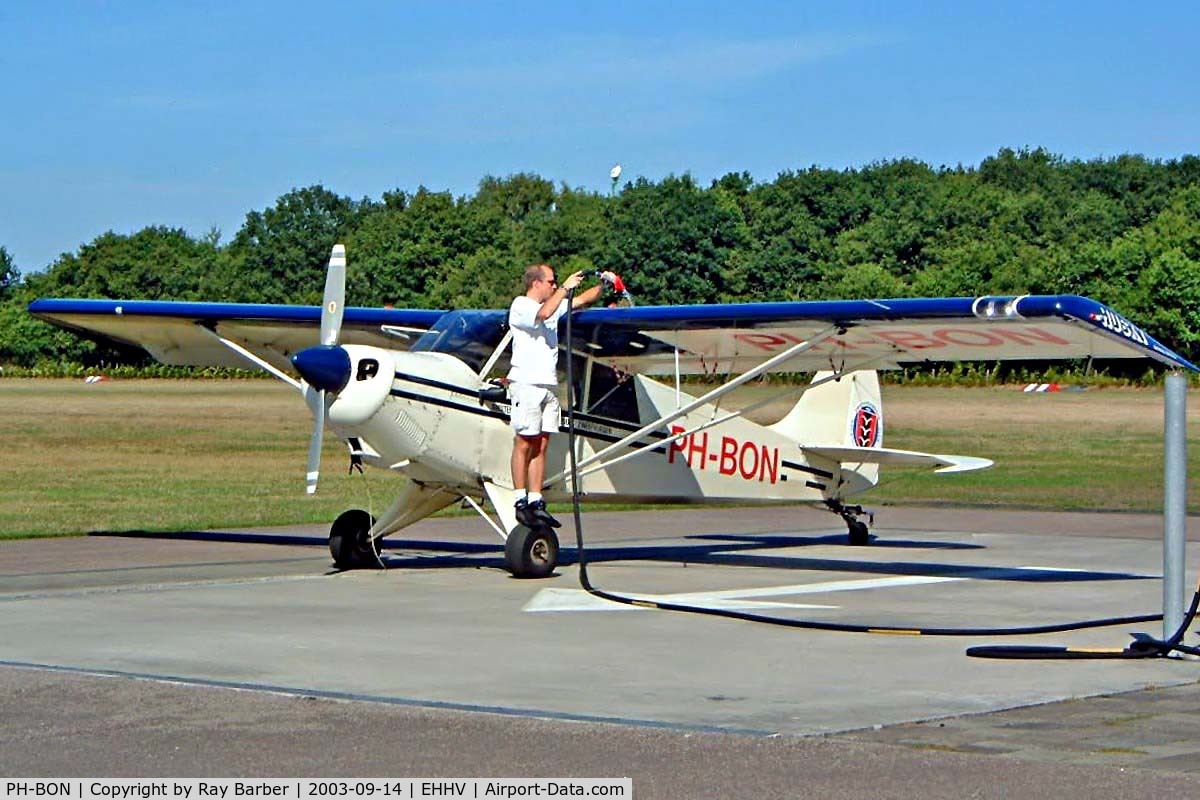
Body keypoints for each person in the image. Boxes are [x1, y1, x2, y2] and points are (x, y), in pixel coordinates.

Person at [508, 263, 616, 529]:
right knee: (524, 441)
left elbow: (581, 300)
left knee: (542, 443)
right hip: (527, 383)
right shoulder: (521, 305)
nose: (554, 286)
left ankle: (536, 499)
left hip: (548, 384)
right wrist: (565, 288)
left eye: (556, 283)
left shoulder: (556, 304)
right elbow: (544, 313)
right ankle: (520, 498)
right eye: (551, 282)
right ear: (536, 283)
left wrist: (604, 284)